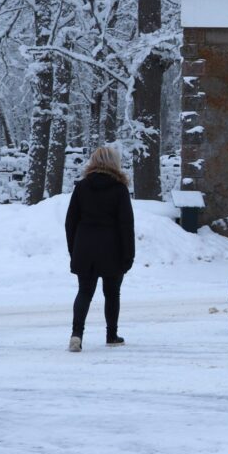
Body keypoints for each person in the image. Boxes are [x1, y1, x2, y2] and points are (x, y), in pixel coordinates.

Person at [65, 147, 135, 352]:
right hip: (112, 248)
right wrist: (129, 254)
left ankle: (76, 334)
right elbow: (126, 225)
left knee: (84, 291)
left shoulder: (82, 187)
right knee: (112, 293)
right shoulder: (120, 189)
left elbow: (71, 222)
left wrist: (74, 249)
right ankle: (112, 335)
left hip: (85, 247)